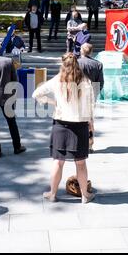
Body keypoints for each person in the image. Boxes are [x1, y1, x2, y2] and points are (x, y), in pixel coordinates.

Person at [32, 52, 96, 204]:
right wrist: (91, 126)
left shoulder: (57, 80)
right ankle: (85, 196)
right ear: (77, 64)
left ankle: (52, 194)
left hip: (60, 125)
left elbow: (36, 94)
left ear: (63, 64)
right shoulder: (86, 81)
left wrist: (52, 103)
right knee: (80, 163)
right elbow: (90, 107)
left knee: (58, 161)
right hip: (80, 126)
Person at [78, 43, 104, 153]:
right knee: (89, 121)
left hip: (77, 95)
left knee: (76, 120)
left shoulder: (76, 63)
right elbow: (100, 83)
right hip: (90, 96)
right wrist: (95, 95)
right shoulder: (98, 64)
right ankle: (89, 145)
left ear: (81, 51)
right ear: (91, 52)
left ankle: (78, 143)